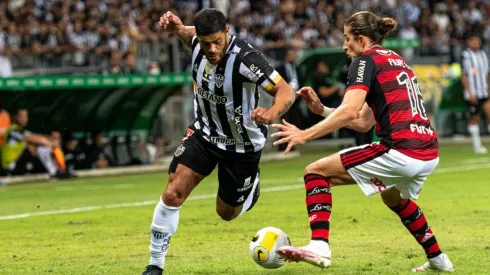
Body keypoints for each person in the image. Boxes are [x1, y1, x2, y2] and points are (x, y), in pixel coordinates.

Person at [271, 11, 454, 273]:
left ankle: (319, 246)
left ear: (361, 39)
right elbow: (363, 122)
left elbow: (348, 111)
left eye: (347, 39)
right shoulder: (396, 60)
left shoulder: (364, 61)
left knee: (315, 172)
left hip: (400, 150)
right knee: (393, 197)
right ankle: (438, 260)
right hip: (427, 151)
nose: (344, 45)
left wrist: (304, 134)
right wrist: (322, 110)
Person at [142, 9, 295, 275]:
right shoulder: (198, 43)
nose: (211, 49)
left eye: (216, 41)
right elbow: (188, 34)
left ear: (226, 33)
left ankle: (251, 186)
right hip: (204, 134)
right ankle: (155, 264)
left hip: (242, 145)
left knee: (226, 213)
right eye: (205, 43)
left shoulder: (246, 58)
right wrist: (176, 27)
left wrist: (271, 113)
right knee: (172, 192)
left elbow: (285, 91)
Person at [1, 108, 71, 178]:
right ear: (15, 117)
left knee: (39, 145)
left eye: (26, 116)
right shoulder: (13, 131)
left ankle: (58, 170)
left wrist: (51, 139)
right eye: (21, 116)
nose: (24, 119)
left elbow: (36, 135)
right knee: (35, 146)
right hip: (10, 166)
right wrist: (52, 143)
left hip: (18, 163)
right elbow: (37, 140)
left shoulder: (20, 130)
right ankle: (54, 172)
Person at [460, 33, 490, 154]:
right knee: (474, 119)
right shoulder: (465, 55)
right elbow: (463, 75)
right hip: (472, 93)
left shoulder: (484, 54)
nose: (476, 43)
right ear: (468, 42)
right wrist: (469, 92)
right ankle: (477, 146)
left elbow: (488, 74)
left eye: (477, 41)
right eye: (473, 40)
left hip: (484, 92)